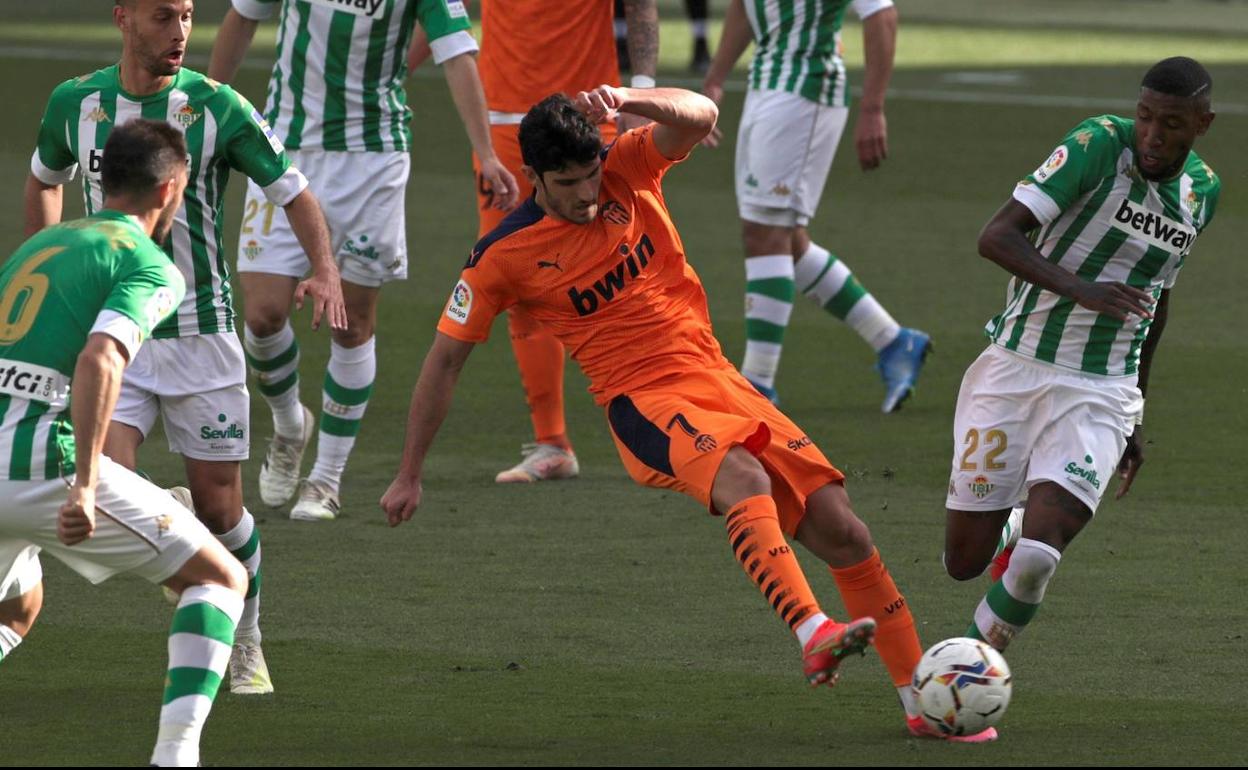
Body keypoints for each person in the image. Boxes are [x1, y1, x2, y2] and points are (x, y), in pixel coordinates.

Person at [380, 87, 994, 742]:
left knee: (846, 532)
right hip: (642, 401)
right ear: (533, 177)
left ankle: (921, 707)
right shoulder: (503, 255)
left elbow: (702, 116)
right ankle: (813, 631)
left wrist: (627, 98)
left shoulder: (626, 165)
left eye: (590, 175)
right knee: (744, 480)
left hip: (718, 378)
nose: (587, 193)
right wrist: (409, 473)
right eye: (567, 183)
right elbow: (445, 362)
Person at [24, 0, 347, 695]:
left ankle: (247, 638)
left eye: (189, 18)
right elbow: (44, 182)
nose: (180, 34)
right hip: (117, 333)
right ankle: (170, 526)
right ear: (124, 17)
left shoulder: (216, 107)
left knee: (221, 508)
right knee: (113, 481)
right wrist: (48, 262)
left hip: (203, 333)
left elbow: (292, 190)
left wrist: (323, 268)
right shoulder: (74, 104)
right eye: (165, 17)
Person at [943, 57, 1219, 657]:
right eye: (1146, 116)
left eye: (1172, 123)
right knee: (964, 561)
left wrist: (1137, 406)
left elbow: (1156, 299)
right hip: (1015, 368)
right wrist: (1081, 288)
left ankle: (965, 675)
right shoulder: (1096, 145)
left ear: (1202, 123)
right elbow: (996, 236)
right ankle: (1012, 523)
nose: (1153, 134)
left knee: (1041, 556)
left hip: (1102, 389)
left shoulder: (1202, 194)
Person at [1, 118, 249, 768]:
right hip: (39, 467)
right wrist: (84, 483)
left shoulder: (39, 246)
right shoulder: (146, 262)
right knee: (223, 579)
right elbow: (102, 360)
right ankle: (177, 758)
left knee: (17, 607)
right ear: (172, 189)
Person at [209, 0, 516, 521]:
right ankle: (289, 423)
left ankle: (326, 480)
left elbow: (458, 53)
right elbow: (242, 17)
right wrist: (202, 111)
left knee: (350, 324)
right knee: (262, 316)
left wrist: (485, 151)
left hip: (371, 160)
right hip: (284, 144)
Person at [420, 0, 658, 484]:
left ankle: (666, 409)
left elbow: (640, 4)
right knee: (520, 281)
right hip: (504, 128)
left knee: (632, 265)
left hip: (589, 117)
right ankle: (552, 442)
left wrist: (642, 93)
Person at [702, 0, 930, 411]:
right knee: (785, 240)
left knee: (766, 232)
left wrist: (873, 109)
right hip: (765, 86)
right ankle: (894, 341)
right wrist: (716, 78)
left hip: (805, 90)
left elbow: (882, 14)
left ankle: (757, 386)